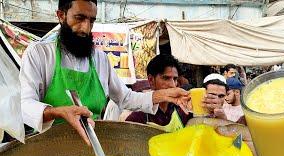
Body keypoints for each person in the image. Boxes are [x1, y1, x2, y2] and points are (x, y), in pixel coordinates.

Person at [19, 0, 190, 146]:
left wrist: (164, 95)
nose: (86, 28)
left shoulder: (100, 59)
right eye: (79, 18)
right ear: (61, 15)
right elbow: (25, 104)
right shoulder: (39, 54)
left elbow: (126, 98)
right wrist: (58, 112)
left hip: (92, 145)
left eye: (91, 21)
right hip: (46, 148)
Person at [126, 54, 192, 132]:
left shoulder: (182, 110)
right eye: (166, 78)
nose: (172, 85)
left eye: (175, 79)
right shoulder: (137, 117)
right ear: (151, 80)